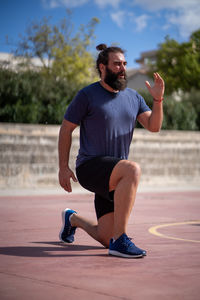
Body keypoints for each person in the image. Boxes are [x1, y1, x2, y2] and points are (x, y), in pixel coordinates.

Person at [58, 44, 165, 258]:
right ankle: (121, 240)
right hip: (90, 167)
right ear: (103, 67)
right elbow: (66, 129)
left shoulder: (134, 97)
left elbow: (154, 127)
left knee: (106, 237)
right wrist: (63, 167)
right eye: (117, 64)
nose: (122, 68)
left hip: (114, 175)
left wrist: (158, 99)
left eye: (124, 63)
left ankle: (73, 219)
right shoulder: (87, 95)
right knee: (132, 170)